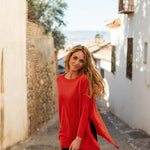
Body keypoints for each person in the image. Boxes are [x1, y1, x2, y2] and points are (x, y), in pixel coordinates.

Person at [56, 45, 119, 150]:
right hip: (65, 133)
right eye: (75, 58)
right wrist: (62, 132)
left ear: (84, 64)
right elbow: (63, 109)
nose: (76, 62)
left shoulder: (84, 80)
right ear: (69, 57)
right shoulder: (59, 80)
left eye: (81, 61)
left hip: (83, 134)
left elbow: (85, 111)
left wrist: (78, 139)